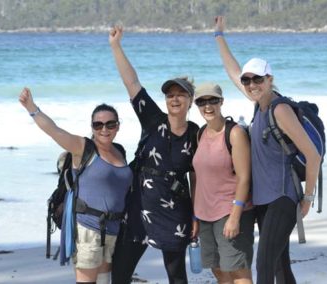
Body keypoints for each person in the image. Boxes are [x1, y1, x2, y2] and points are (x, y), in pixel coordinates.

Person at [212, 16, 322, 283]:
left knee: (263, 265)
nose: (251, 85)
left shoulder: (279, 109)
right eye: (248, 81)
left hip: (282, 197)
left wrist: (307, 198)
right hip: (263, 200)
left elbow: (313, 155)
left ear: (269, 78)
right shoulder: (258, 105)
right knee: (279, 266)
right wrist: (219, 36)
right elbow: (233, 71)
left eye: (257, 79)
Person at [109, 26, 199, 284]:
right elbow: (133, 83)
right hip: (140, 209)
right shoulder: (152, 120)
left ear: (190, 100)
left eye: (180, 95)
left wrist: (196, 215)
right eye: (170, 95)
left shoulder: (196, 134)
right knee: (120, 274)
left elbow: (197, 177)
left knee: (176, 277)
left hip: (175, 212)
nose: (174, 99)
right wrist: (116, 46)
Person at [19, 87, 133, 284]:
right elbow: (54, 131)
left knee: (104, 281)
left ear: (118, 126)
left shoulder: (120, 151)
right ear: (92, 127)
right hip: (87, 230)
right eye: (98, 125)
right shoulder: (83, 148)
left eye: (110, 124)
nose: (104, 129)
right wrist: (32, 108)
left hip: (113, 228)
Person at [193, 82, 254, 283]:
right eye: (202, 101)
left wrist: (235, 217)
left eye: (213, 100)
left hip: (230, 212)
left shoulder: (235, 133)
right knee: (218, 269)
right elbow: (198, 177)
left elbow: (244, 177)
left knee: (238, 271)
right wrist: (195, 215)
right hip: (205, 215)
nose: (207, 106)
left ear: (221, 102)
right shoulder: (200, 133)